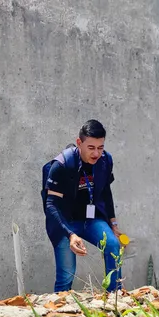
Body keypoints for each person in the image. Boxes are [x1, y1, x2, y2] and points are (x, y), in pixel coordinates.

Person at [42, 119, 124, 292]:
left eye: (100, 147)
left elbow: (106, 192)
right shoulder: (61, 165)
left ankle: (115, 298)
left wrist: (113, 224)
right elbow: (51, 204)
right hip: (65, 223)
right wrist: (70, 234)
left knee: (113, 245)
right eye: (91, 147)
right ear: (79, 143)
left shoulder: (105, 161)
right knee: (66, 275)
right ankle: (60, 306)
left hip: (91, 219)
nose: (96, 153)